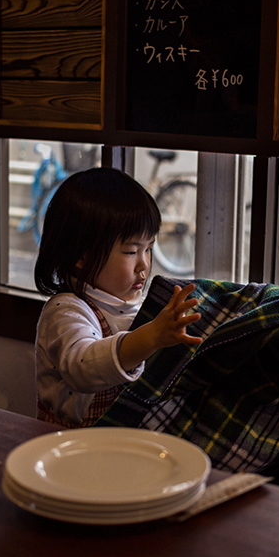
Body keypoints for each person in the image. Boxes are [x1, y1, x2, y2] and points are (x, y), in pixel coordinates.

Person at [33, 168, 203, 428]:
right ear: (82, 256)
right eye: (130, 251)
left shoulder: (138, 306)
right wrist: (152, 336)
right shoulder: (66, 311)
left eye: (148, 249)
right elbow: (82, 367)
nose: (143, 265)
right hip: (66, 447)